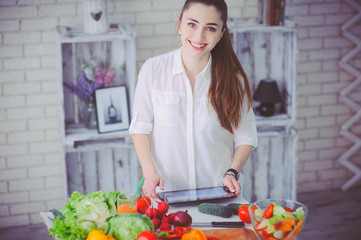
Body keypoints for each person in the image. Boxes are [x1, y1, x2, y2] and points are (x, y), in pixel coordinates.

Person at [129, 0, 257, 199]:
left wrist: (233, 172)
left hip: (218, 193)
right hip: (165, 195)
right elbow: (140, 126)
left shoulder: (234, 80)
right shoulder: (153, 70)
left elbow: (246, 136)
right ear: (179, 25)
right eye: (192, 24)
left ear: (220, 34)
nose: (199, 36)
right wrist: (149, 171)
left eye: (210, 28)